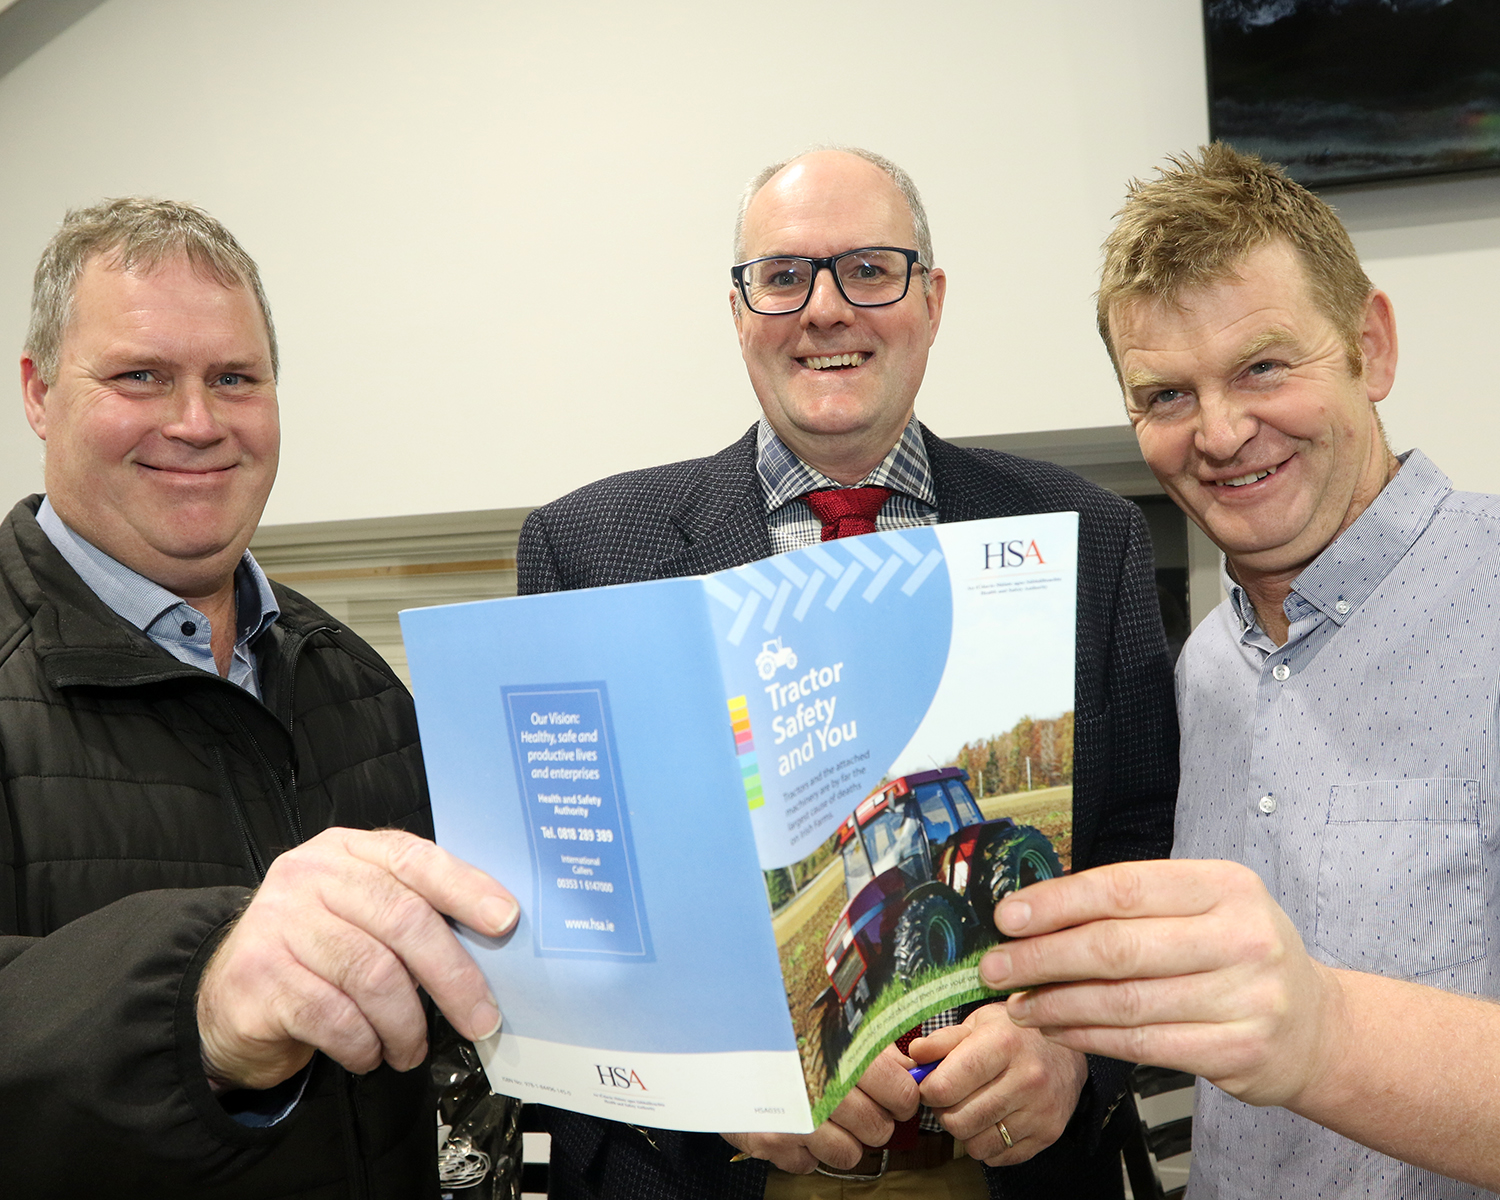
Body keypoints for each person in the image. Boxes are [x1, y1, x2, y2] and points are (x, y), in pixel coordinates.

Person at [518, 147, 1178, 1200]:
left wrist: (1077, 1056)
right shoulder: (592, 553)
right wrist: (709, 1089)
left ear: (931, 298)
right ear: (739, 312)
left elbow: (1144, 850)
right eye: (783, 277)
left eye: (869, 269)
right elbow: (569, 914)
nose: (824, 309)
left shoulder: (1088, 538)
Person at [978, 142, 1500, 1198]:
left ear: (1372, 346)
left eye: (1264, 366)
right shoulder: (1200, 676)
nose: (1220, 432)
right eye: (1167, 394)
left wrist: (1326, 1031)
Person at [0, 197, 519, 1198]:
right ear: (37, 392)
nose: (197, 423)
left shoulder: (358, 683)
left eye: (233, 379)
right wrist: (196, 1005)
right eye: (140, 376)